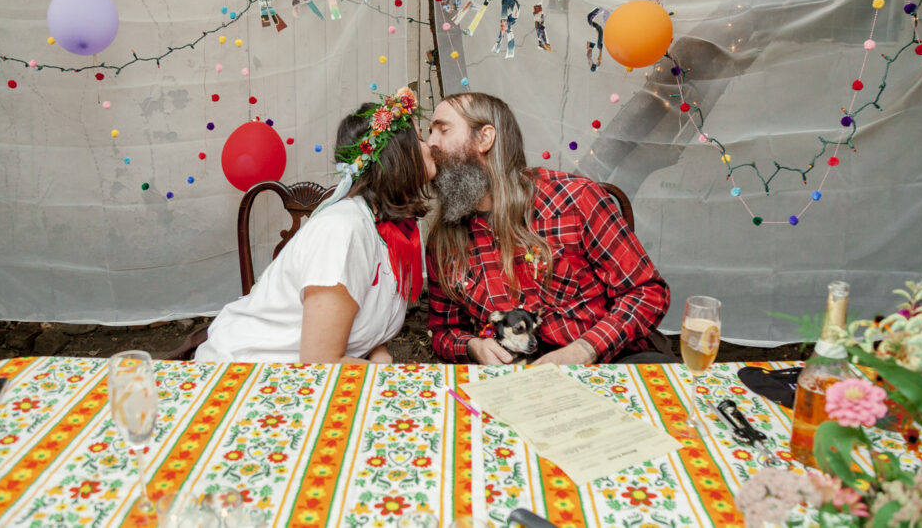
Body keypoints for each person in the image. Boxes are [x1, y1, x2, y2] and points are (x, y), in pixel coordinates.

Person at [425, 92, 670, 365]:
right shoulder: (444, 238)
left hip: (604, 365)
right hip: (518, 380)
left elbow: (647, 292)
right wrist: (473, 346)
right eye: (429, 132)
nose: (430, 142)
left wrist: (583, 351)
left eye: (442, 130)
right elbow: (443, 331)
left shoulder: (574, 199)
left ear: (485, 138)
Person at [196, 87, 434, 363]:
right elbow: (320, 362)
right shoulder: (343, 230)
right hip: (242, 373)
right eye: (420, 138)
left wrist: (378, 351)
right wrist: (386, 374)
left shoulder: (391, 230)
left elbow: (364, 312)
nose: (431, 146)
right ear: (398, 156)